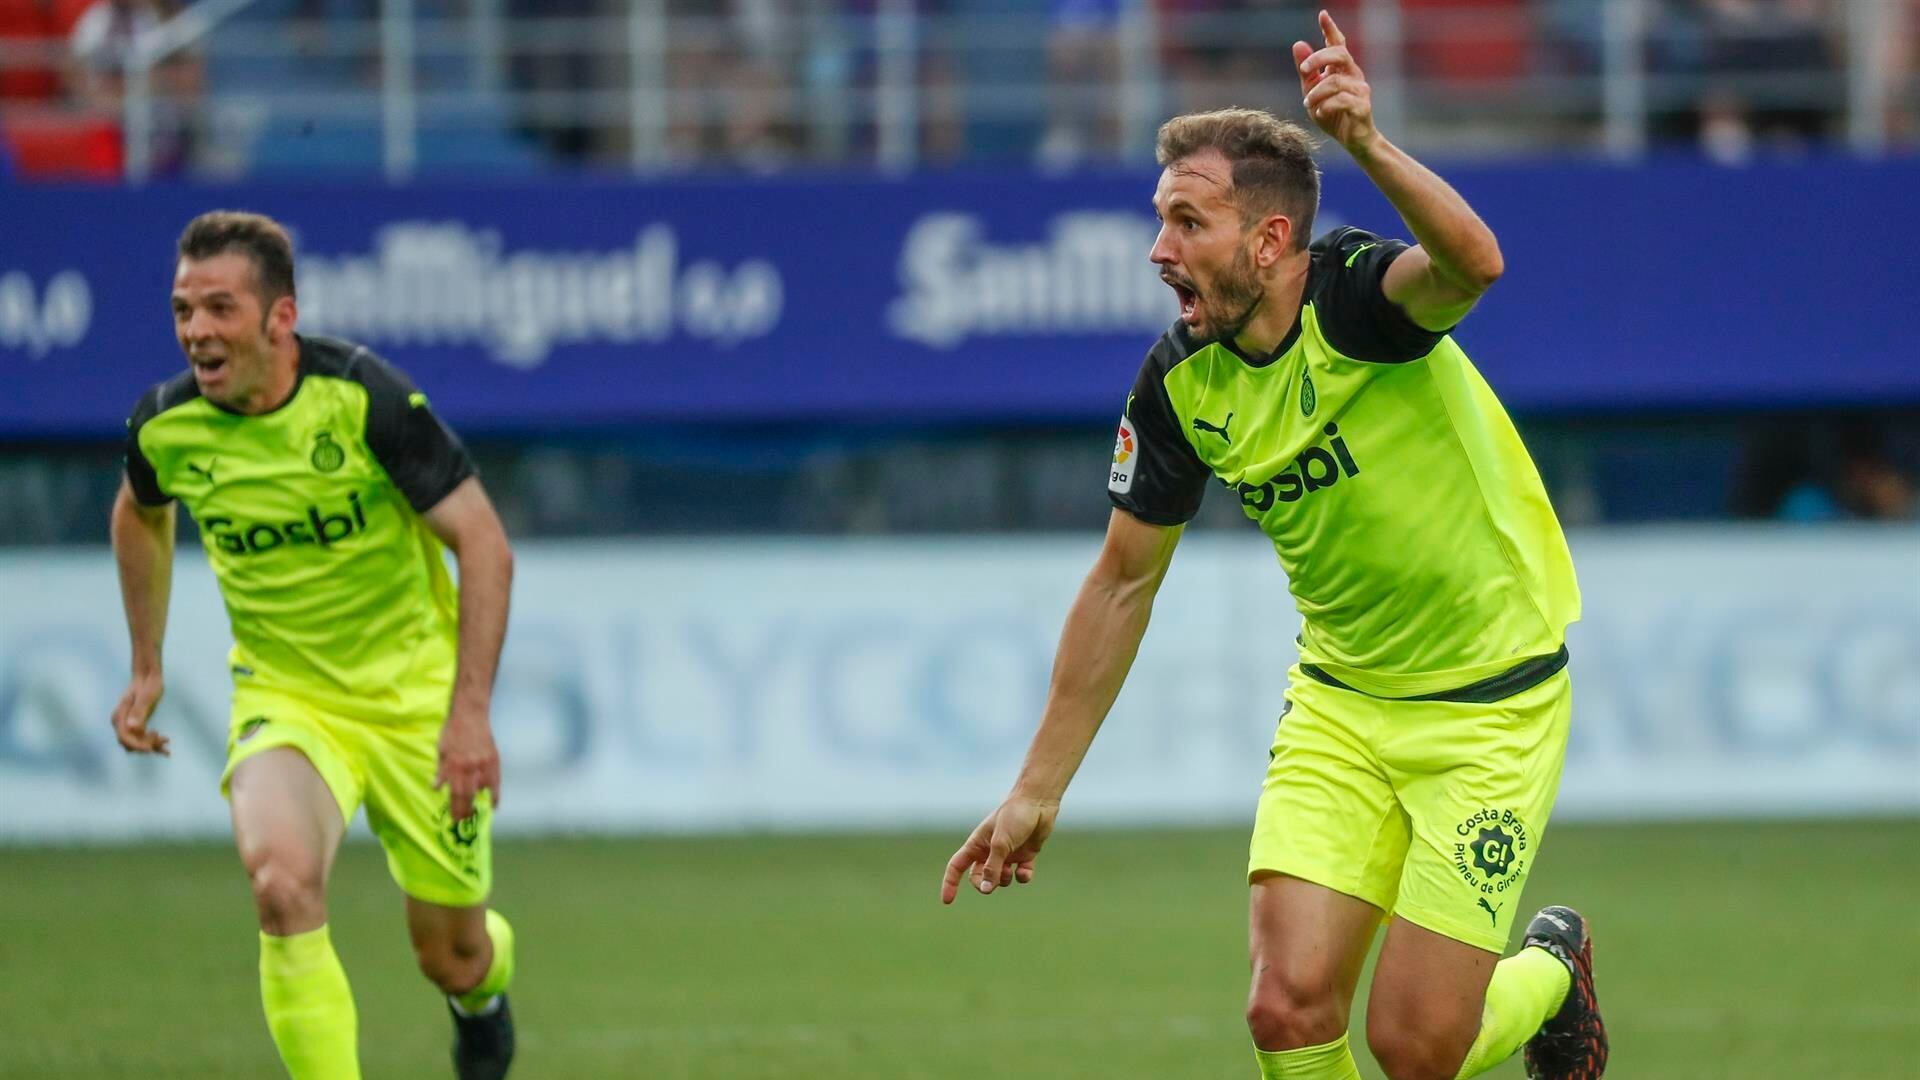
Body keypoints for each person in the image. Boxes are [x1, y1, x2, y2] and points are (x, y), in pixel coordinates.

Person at [941, 12, 1607, 1080]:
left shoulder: (1356, 302)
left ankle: (1550, 971)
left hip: (1491, 705)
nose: (1160, 250)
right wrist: (1036, 789)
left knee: (1415, 1045)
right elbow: (1120, 583)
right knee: (1285, 1009)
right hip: (1342, 704)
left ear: (1267, 242)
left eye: (1186, 223)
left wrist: (1369, 146)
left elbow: (1474, 263)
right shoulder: (1180, 384)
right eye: (1160, 222)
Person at [110, 211, 518, 1080]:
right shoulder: (166, 428)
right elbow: (140, 513)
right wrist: (147, 664)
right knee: (281, 885)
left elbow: (483, 543)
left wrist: (470, 716)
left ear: (279, 319)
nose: (197, 332)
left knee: (452, 953)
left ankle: (481, 997)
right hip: (288, 699)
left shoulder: (365, 401)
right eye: (184, 310)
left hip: (416, 701)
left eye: (220, 308)